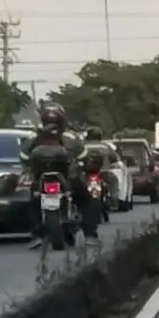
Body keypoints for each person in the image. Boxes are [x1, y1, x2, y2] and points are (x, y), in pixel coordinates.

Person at [21, 102, 98, 249]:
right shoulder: (71, 136)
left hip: (41, 179)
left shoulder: (33, 137)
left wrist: (30, 166)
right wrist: (82, 163)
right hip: (70, 178)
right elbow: (83, 154)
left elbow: (23, 156)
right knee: (88, 201)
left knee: (32, 202)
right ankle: (90, 235)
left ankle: (36, 235)